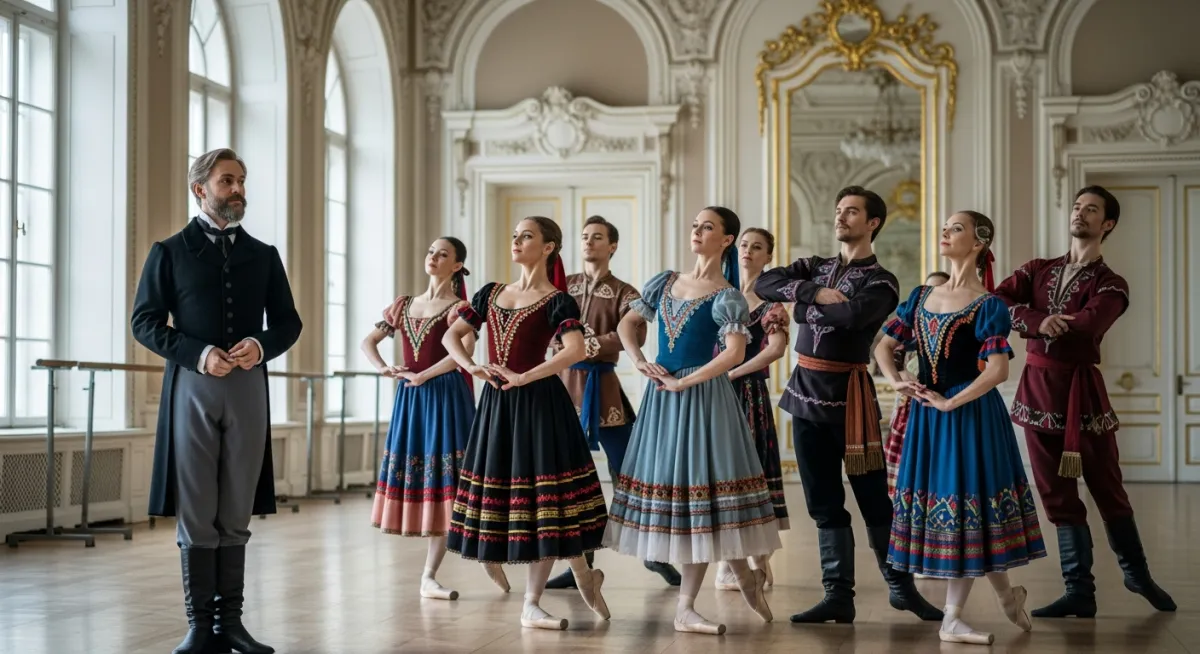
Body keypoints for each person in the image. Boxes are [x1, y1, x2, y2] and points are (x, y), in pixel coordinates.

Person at [131, 148, 302, 654]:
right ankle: (199, 627)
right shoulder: (169, 252)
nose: (238, 189)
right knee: (198, 508)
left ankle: (232, 624)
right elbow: (144, 322)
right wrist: (198, 353)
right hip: (193, 385)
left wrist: (261, 345)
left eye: (242, 180)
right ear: (200, 189)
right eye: (228, 180)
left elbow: (288, 323)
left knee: (236, 508)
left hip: (249, 387)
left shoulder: (264, 254)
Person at [755, 185, 941, 625]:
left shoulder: (883, 281)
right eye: (839, 210)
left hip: (850, 401)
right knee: (822, 501)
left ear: (872, 222)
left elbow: (855, 317)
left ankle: (901, 588)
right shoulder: (814, 268)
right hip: (803, 397)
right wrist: (814, 296)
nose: (841, 217)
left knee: (874, 499)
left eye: (852, 211)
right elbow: (765, 282)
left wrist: (799, 306)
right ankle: (838, 596)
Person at [994, 185, 1176, 618]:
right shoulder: (1037, 269)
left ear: (1107, 223)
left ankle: (1137, 573)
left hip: (1082, 396)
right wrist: (1039, 319)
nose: (1080, 213)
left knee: (1107, 488)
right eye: (1077, 206)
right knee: (1055, 495)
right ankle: (1079, 590)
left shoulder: (1112, 283)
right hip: (1036, 391)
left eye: (1091, 209)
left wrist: (1045, 322)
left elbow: (1091, 324)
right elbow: (996, 302)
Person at [603, 206, 780, 636]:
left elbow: (735, 354)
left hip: (704, 399)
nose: (697, 231)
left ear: (725, 241)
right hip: (663, 400)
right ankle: (744, 578)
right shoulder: (664, 282)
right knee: (684, 499)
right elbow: (628, 324)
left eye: (708, 227)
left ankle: (687, 607)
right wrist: (641, 361)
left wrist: (687, 383)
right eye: (695, 225)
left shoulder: (728, 296)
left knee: (700, 498)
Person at [876, 210, 1046, 645]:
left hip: (969, 416)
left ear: (978, 242)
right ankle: (1008, 597)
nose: (945, 233)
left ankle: (952, 617)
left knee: (965, 509)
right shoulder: (919, 296)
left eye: (956, 228)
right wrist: (898, 380)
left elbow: (997, 370)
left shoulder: (989, 305)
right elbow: (884, 345)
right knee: (965, 513)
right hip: (929, 418)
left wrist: (952, 401)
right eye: (945, 227)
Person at [442, 216, 610, 630]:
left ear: (549, 246)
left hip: (540, 405)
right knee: (515, 497)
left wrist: (526, 376)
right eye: (514, 234)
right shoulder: (491, 293)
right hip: (498, 405)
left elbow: (573, 351)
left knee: (546, 504)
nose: (516, 240)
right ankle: (585, 577)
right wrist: (473, 367)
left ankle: (533, 602)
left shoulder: (558, 300)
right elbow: (452, 336)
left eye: (527, 236)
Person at [544, 216, 682, 590]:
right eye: (585, 236)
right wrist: (563, 347)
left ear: (613, 246)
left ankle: (652, 553)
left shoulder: (625, 290)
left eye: (598, 237)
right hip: (562, 386)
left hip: (603, 387)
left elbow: (633, 331)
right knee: (572, 479)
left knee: (628, 473)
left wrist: (589, 345)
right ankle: (581, 565)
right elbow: (545, 323)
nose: (589, 242)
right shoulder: (564, 285)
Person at [363, 237, 477, 601]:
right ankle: (430, 574)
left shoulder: (460, 308)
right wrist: (384, 368)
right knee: (425, 478)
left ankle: (432, 573)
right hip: (411, 398)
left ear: (457, 265)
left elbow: (465, 352)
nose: (434, 257)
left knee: (451, 482)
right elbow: (369, 342)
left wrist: (425, 375)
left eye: (443, 254)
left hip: (445, 396)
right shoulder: (404, 304)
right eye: (431, 251)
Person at [713, 227, 790, 592]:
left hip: (749, 393)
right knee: (721, 473)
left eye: (756, 247)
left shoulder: (770, 303)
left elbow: (775, 350)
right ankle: (730, 557)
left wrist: (732, 372)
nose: (748, 251)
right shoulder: (720, 294)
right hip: (716, 391)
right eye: (744, 244)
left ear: (767, 256)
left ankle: (760, 560)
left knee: (752, 470)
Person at [885, 271, 949, 498]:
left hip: (941, 403)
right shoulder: (911, 324)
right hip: (908, 403)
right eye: (929, 289)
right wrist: (902, 375)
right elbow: (890, 353)